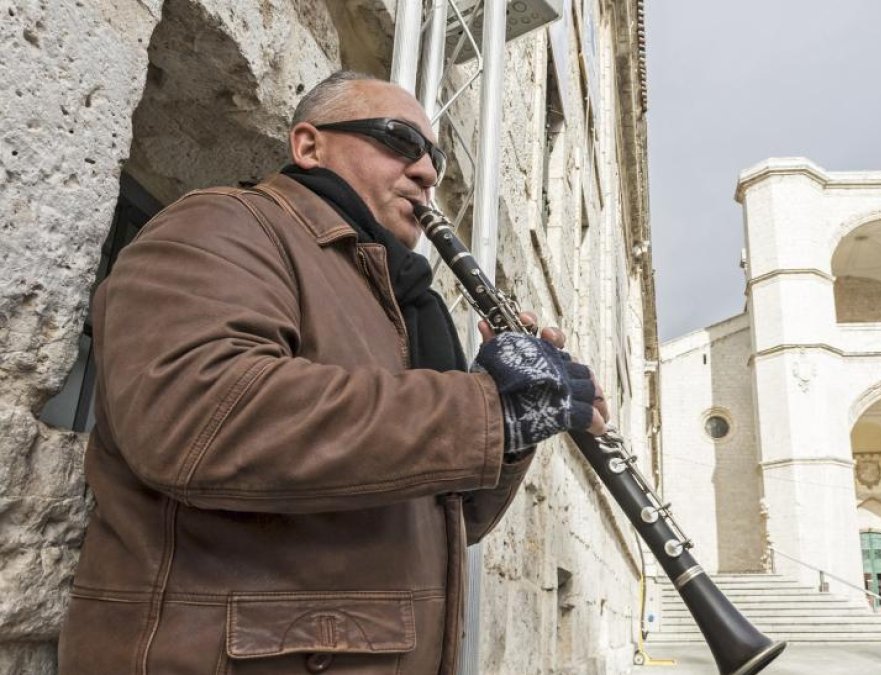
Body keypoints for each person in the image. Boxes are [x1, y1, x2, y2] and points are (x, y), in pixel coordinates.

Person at [57, 71, 606, 674]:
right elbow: (198, 419)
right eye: (399, 140)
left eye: (436, 157)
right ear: (309, 147)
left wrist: (511, 434)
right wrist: (484, 410)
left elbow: (448, 521)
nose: (425, 171)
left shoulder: (402, 305)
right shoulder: (224, 224)